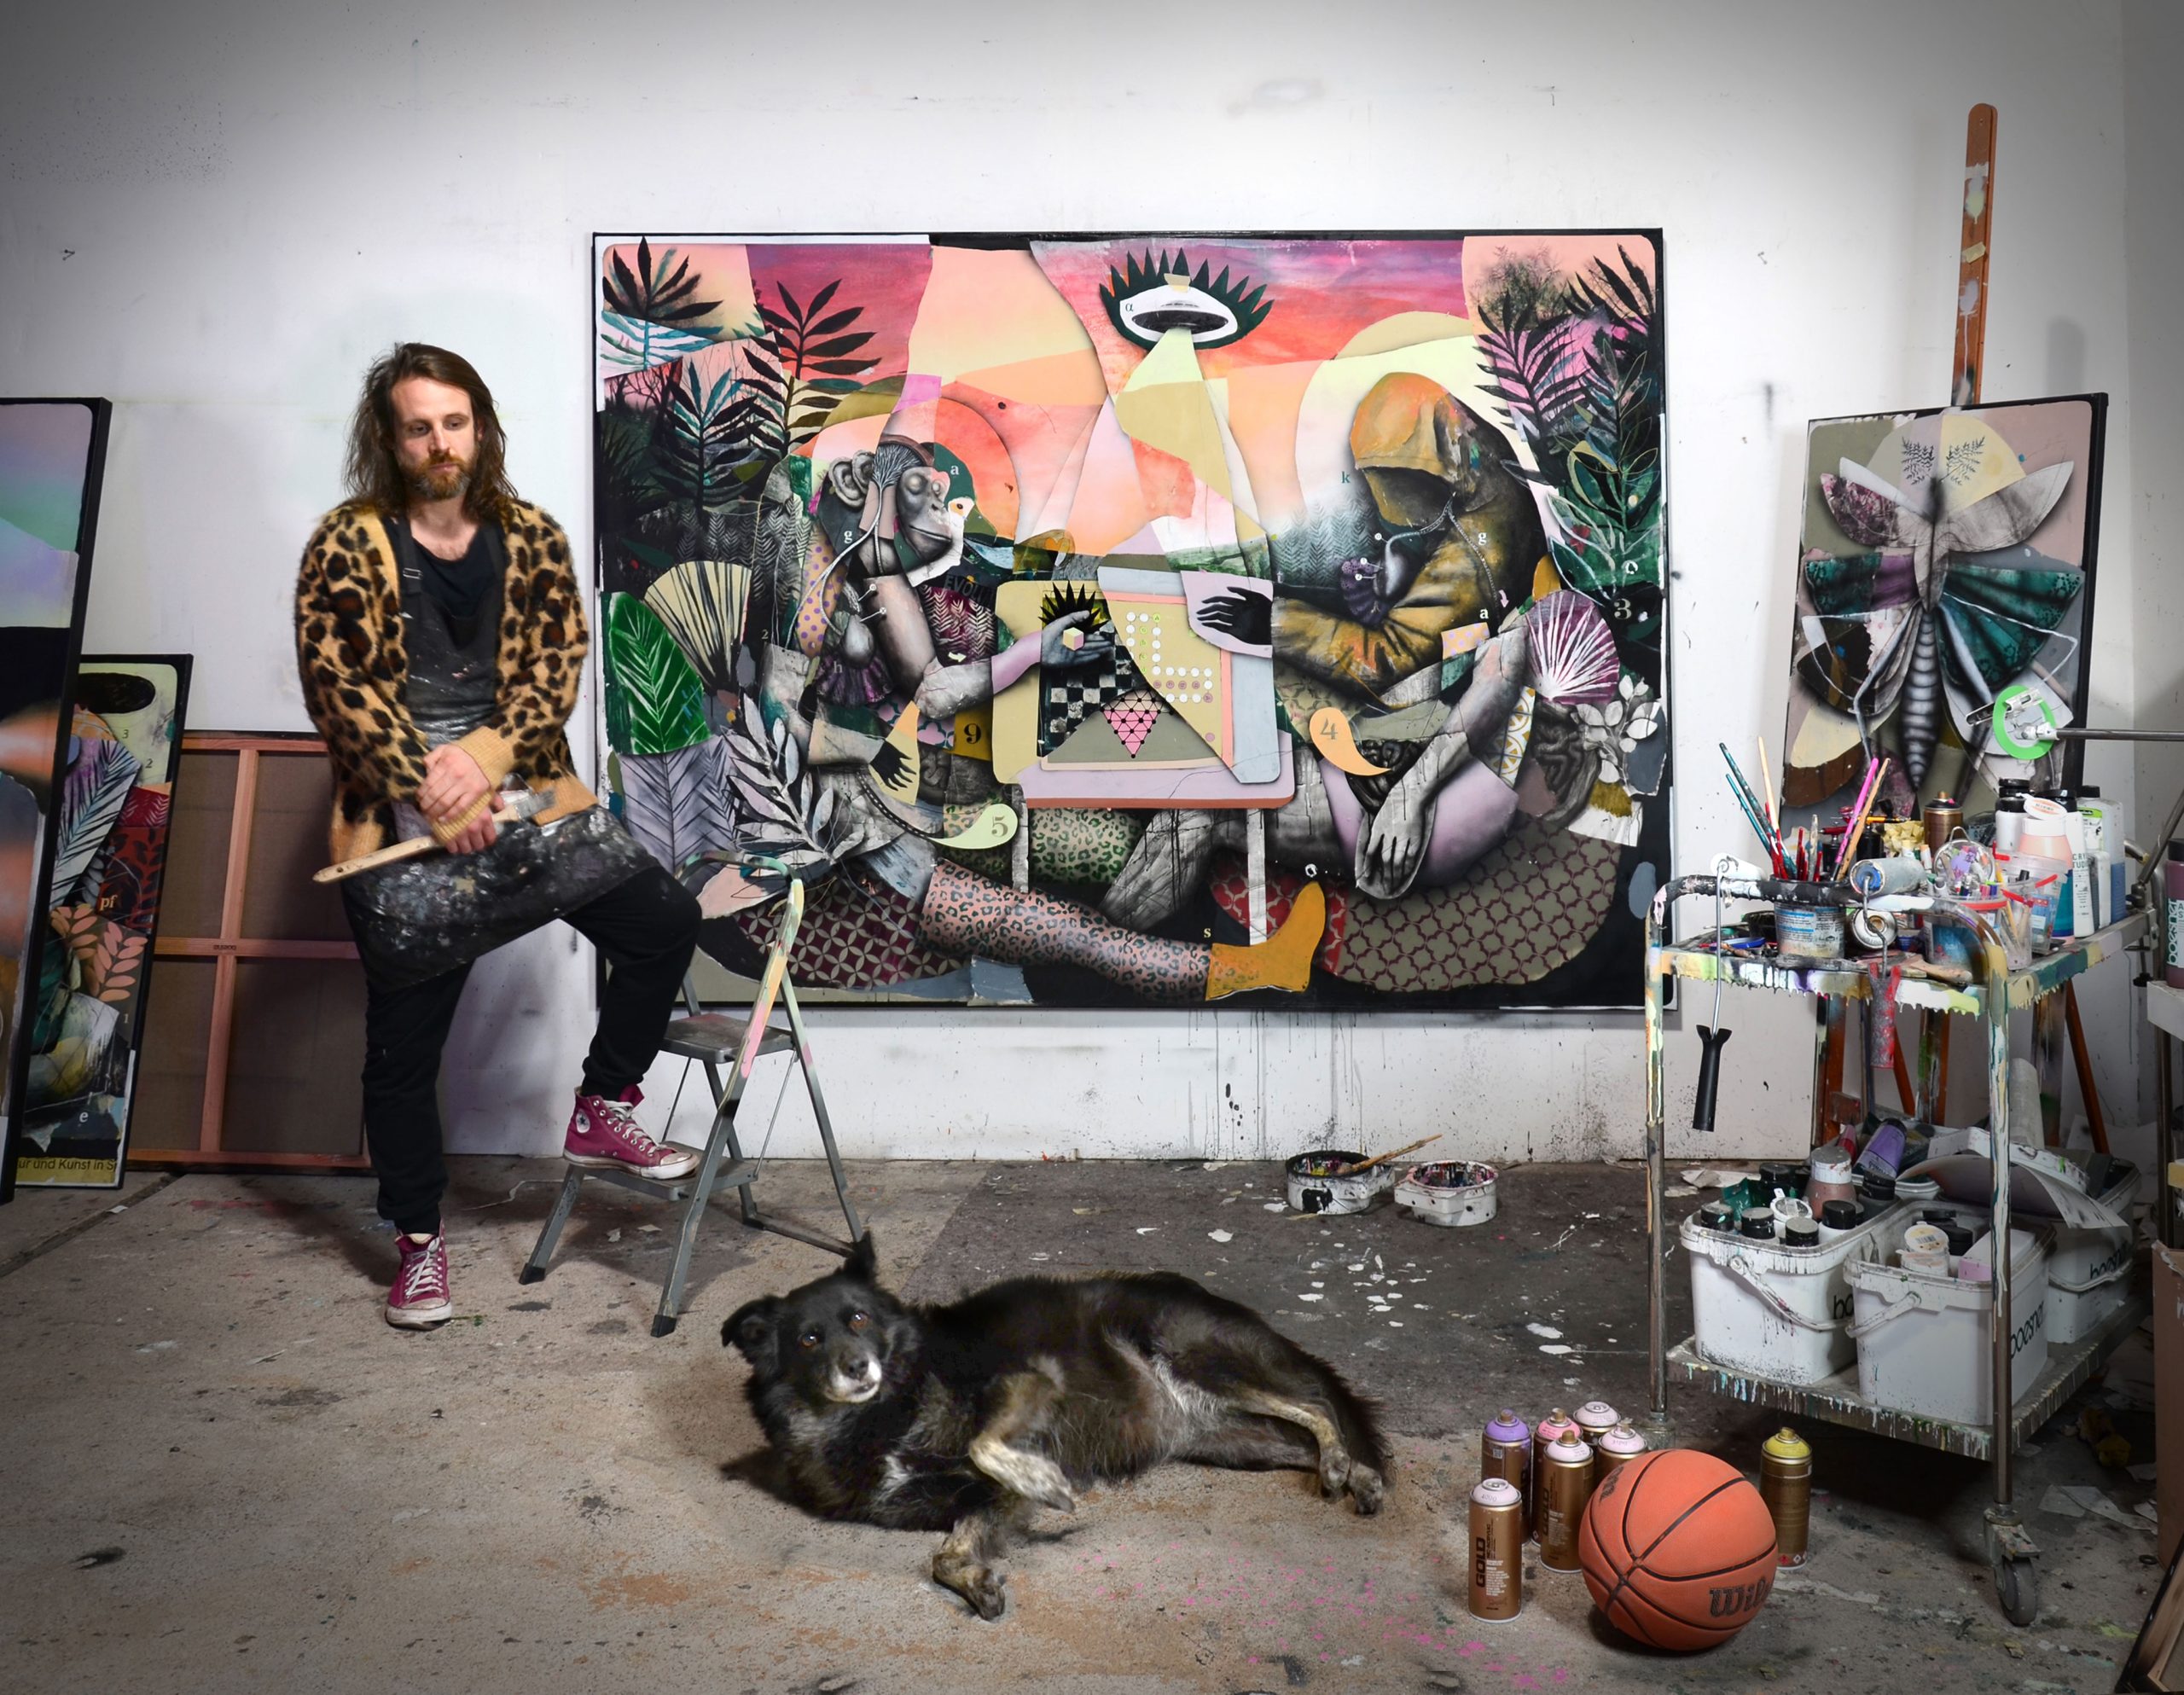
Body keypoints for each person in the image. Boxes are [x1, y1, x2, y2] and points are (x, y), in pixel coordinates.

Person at [296, 343, 703, 1329]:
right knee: (401, 1053)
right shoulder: (346, 542)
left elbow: (554, 668)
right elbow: (338, 686)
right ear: (390, 440)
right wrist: (431, 790)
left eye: (455, 422)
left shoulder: (529, 535)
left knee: (662, 919)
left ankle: (602, 1103)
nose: (440, 443)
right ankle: (418, 1244)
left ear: (480, 428)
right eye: (418, 427)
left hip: (524, 793)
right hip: (396, 812)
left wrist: (480, 760)